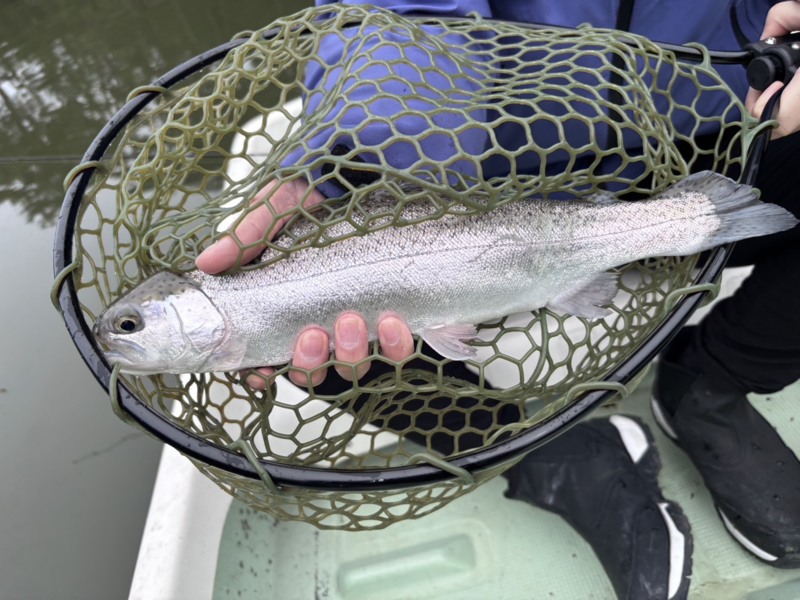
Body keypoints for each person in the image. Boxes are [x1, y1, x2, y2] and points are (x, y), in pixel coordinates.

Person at [196, 1, 800, 597]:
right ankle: (543, 453)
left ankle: (715, 378)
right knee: (311, 322)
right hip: (478, 161)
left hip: (715, 126)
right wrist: (372, 154)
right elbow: (405, 12)